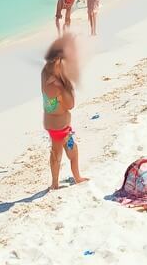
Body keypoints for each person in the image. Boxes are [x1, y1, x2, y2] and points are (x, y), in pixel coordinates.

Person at [41, 36, 88, 189]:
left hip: (61, 128)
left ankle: (75, 177)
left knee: (71, 151)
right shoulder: (54, 85)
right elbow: (71, 104)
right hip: (58, 128)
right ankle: (55, 183)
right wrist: (64, 87)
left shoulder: (46, 73)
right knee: (58, 154)